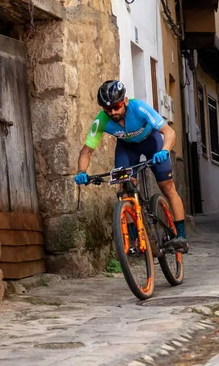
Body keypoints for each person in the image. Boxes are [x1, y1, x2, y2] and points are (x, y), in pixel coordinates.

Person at [74, 80, 189, 253]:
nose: (113, 112)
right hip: (127, 149)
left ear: (125, 101)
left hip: (152, 143)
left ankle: (181, 237)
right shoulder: (101, 121)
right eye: (108, 109)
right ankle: (135, 241)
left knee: (167, 187)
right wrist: (81, 171)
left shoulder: (139, 108)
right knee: (125, 190)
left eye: (116, 106)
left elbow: (168, 132)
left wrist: (165, 150)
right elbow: (86, 151)